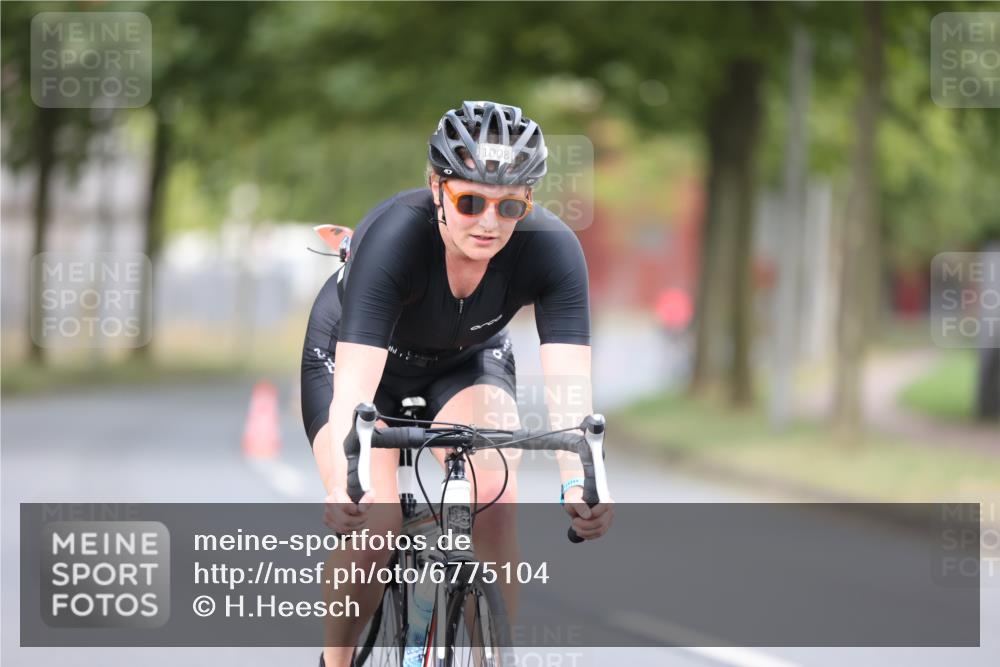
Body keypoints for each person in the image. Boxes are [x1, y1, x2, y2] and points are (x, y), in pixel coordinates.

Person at [300, 100, 613, 667]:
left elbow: (570, 388)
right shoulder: (395, 234)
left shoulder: (553, 250)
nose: (489, 222)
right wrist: (347, 481)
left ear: (530, 202)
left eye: (509, 206)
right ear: (436, 188)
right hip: (362, 366)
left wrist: (580, 482)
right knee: (376, 521)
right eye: (469, 202)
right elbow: (355, 383)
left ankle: (489, 655)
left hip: (462, 364)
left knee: (497, 498)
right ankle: (336, 661)